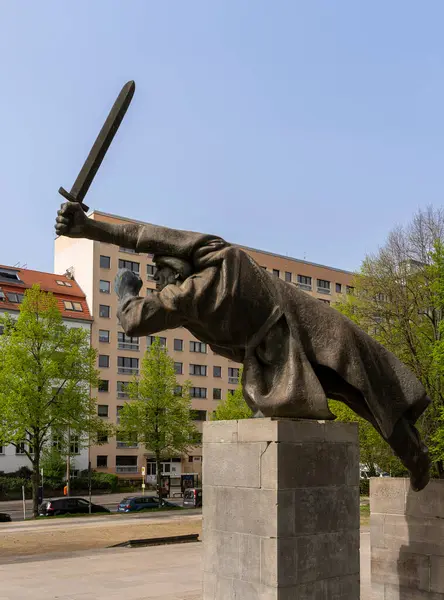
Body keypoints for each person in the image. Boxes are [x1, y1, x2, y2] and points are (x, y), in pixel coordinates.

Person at [55, 201, 431, 491]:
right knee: (358, 393)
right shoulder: (208, 272)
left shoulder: (201, 281)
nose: (158, 284)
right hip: (282, 349)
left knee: (365, 389)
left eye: (161, 276)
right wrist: (88, 229)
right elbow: (149, 239)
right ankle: (414, 455)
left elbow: (140, 287)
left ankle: (415, 455)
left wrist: (122, 288)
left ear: (177, 269)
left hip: (304, 331)